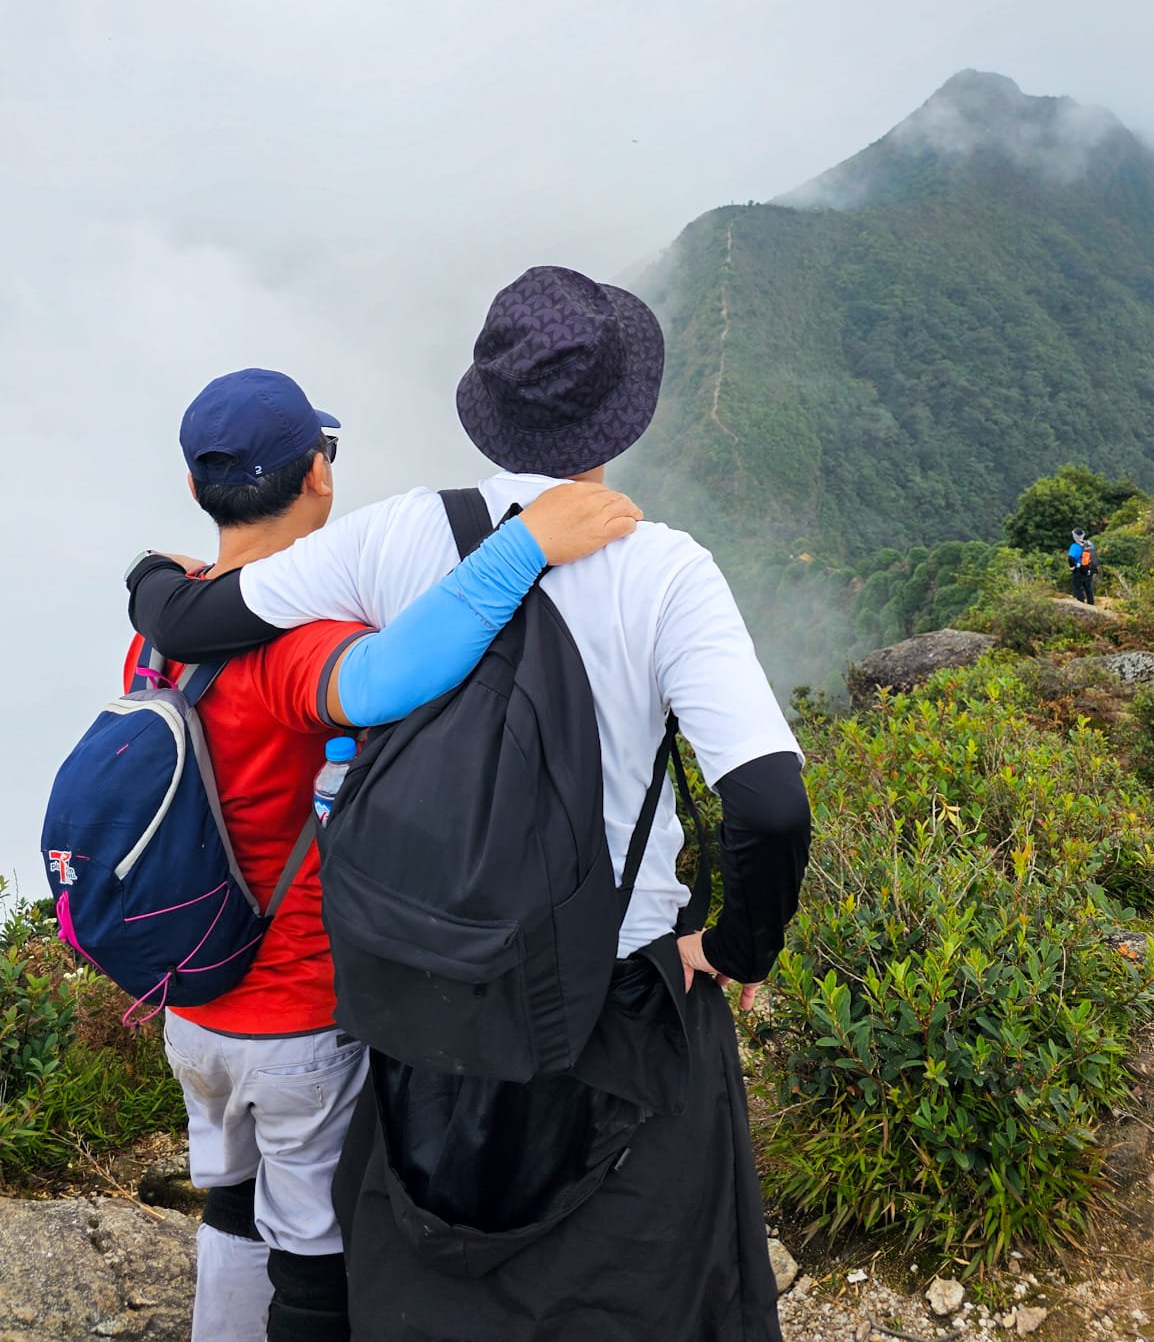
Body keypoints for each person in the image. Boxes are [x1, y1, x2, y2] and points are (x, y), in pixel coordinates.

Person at [127, 272, 812, 1342]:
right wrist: (732, 945)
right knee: (641, 1285)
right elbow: (767, 800)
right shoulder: (665, 568)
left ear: (486, 403)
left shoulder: (393, 537)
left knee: (431, 1280)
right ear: (623, 413)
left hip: (422, 985)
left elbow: (205, 611)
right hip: (617, 990)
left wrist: (147, 583)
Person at [125, 366, 639, 1342]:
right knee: (314, 1243)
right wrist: (523, 544)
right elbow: (396, 674)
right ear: (318, 475)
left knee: (232, 1202)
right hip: (296, 1015)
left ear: (200, 487)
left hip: (191, 1004)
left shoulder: (163, 634)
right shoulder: (300, 645)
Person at [1068, 527, 1098, 605]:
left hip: (1079, 570)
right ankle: (1091, 604)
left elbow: (1071, 558)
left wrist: (1072, 567)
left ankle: (1081, 604)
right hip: (1089, 569)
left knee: (1077, 587)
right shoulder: (1090, 544)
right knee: (1088, 588)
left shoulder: (1074, 546)